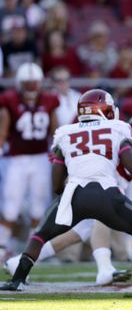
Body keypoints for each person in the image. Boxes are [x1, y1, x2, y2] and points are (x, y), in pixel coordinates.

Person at [5, 105, 132, 286]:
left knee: (83, 230)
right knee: (104, 215)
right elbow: (116, 144)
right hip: (109, 171)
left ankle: (18, 262)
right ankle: (104, 269)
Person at [0, 62, 59, 262]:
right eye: (28, 84)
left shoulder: (49, 100)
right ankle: (1, 246)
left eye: (34, 84)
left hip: (40, 158)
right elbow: (3, 129)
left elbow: (54, 130)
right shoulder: (9, 100)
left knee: (38, 206)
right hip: (16, 159)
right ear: (19, 84)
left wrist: (58, 151)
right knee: (11, 204)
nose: (32, 88)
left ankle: (33, 249)